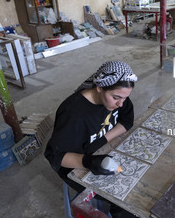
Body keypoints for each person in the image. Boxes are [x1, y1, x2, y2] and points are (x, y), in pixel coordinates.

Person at [45, 61, 138, 217]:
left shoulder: (119, 97)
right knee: (126, 200)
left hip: (98, 150)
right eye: (116, 98)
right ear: (100, 87)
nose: (121, 104)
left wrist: (102, 140)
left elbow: (127, 121)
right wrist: (88, 162)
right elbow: (54, 156)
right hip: (73, 164)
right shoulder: (74, 113)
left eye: (125, 98)